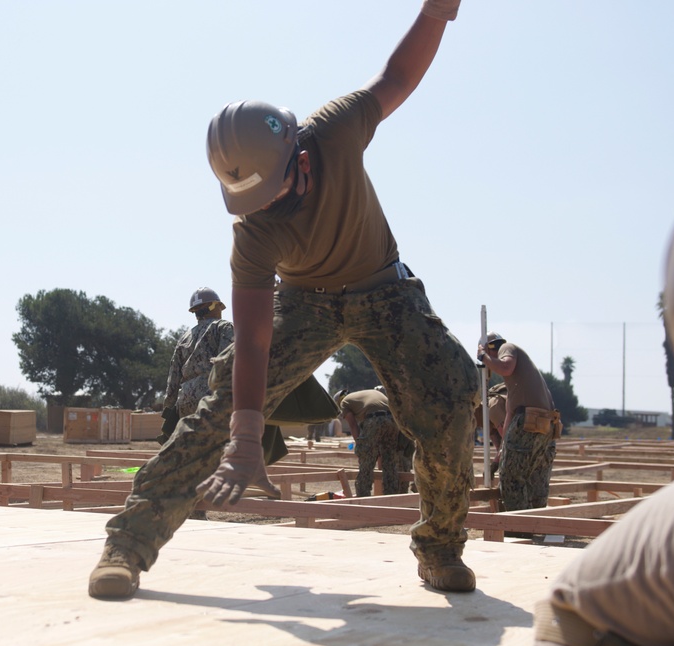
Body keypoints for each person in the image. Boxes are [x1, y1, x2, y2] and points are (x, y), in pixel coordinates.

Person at [89, 0, 478, 600]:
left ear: (299, 156)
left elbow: (396, 78)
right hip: (305, 302)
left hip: (384, 289)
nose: (266, 208)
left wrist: (436, 12)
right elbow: (251, 340)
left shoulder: (336, 131)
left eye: (273, 194)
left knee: (451, 394)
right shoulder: (253, 232)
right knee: (215, 412)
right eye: (254, 202)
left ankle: (440, 549)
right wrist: (246, 437)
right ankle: (127, 545)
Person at [531, 199, 674, 646]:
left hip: (533, 434)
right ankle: (522, 522)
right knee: (524, 488)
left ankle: (523, 520)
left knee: (525, 484)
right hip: (586, 633)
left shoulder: (513, 362)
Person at [477, 333, 560, 513]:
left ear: (491, 348)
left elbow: (505, 367)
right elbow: (508, 419)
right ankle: (535, 521)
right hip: (546, 422)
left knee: (511, 477)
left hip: (529, 420)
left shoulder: (507, 348)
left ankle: (519, 527)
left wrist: (482, 356)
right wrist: (499, 457)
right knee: (535, 475)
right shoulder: (516, 387)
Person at [158, 288, 234, 444]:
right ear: (215, 306)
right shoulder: (223, 327)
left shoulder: (184, 338)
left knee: (191, 448)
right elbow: (227, 364)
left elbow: (173, 380)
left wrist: (169, 411)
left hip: (185, 402)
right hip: (211, 399)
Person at [337, 388, 414, 497]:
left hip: (374, 418)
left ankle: (363, 498)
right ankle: (390, 497)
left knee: (366, 462)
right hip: (393, 420)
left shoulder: (345, 403)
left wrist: (361, 446)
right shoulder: (366, 395)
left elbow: (353, 426)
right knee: (390, 461)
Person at [474, 383, 507, 477]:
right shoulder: (487, 420)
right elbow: (499, 447)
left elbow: (507, 442)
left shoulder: (494, 410)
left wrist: (494, 465)